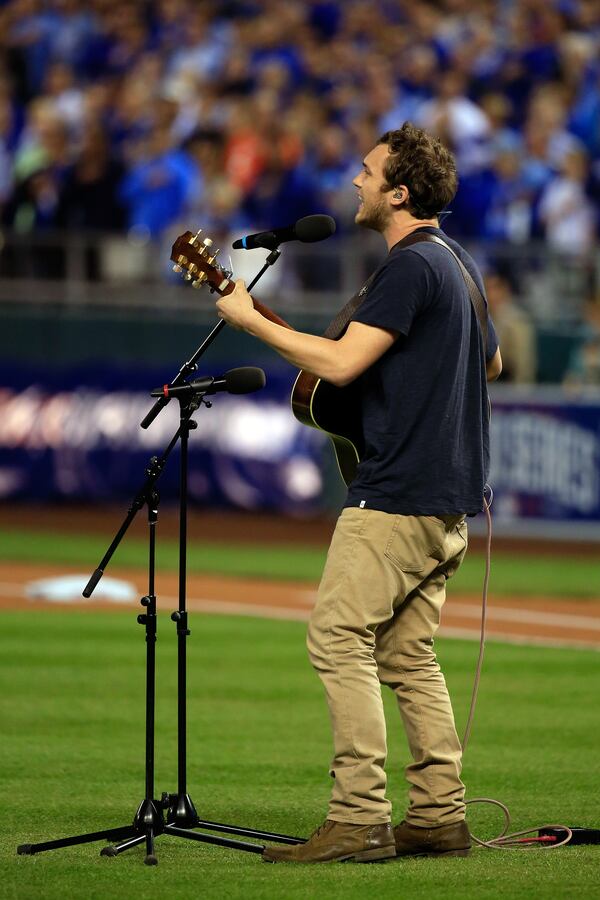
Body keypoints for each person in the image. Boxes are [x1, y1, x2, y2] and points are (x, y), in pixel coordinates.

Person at [215, 122, 502, 864]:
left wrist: (251, 320)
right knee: (408, 654)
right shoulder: (458, 261)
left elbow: (341, 365)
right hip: (451, 498)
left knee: (337, 637)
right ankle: (439, 815)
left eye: (367, 171)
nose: (354, 180)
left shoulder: (409, 267)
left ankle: (359, 817)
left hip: (398, 493)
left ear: (398, 193)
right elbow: (493, 360)